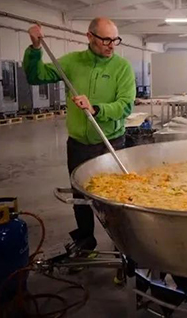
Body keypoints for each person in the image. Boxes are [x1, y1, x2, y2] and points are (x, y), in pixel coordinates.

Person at [23, 17, 136, 254]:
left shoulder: (122, 68)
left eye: (115, 40)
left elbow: (125, 105)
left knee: (115, 197)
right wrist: (35, 48)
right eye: (106, 40)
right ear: (90, 36)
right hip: (78, 145)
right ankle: (86, 242)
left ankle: (121, 244)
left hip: (110, 142)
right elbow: (36, 76)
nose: (111, 45)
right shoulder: (73, 62)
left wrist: (96, 109)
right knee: (80, 196)